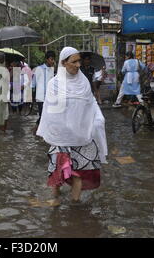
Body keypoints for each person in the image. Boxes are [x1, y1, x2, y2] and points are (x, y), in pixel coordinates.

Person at [36, 47, 108, 203]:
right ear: (63, 63)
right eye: (73, 61)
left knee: (79, 173)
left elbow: (91, 103)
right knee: (57, 172)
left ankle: (74, 207)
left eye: (79, 61)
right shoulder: (54, 84)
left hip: (82, 136)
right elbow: (51, 113)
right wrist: (64, 128)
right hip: (62, 136)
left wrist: (98, 119)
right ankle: (55, 201)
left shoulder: (83, 82)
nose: (78, 65)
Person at [33, 51, 56, 127]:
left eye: (53, 59)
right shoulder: (39, 69)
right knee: (43, 116)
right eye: (51, 59)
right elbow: (33, 83)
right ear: (46, 59)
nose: (52, 61)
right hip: (41, 98)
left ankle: (38, 131)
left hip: (49, 97)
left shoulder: (52, 70)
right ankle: (36, 129)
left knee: (48, 116)